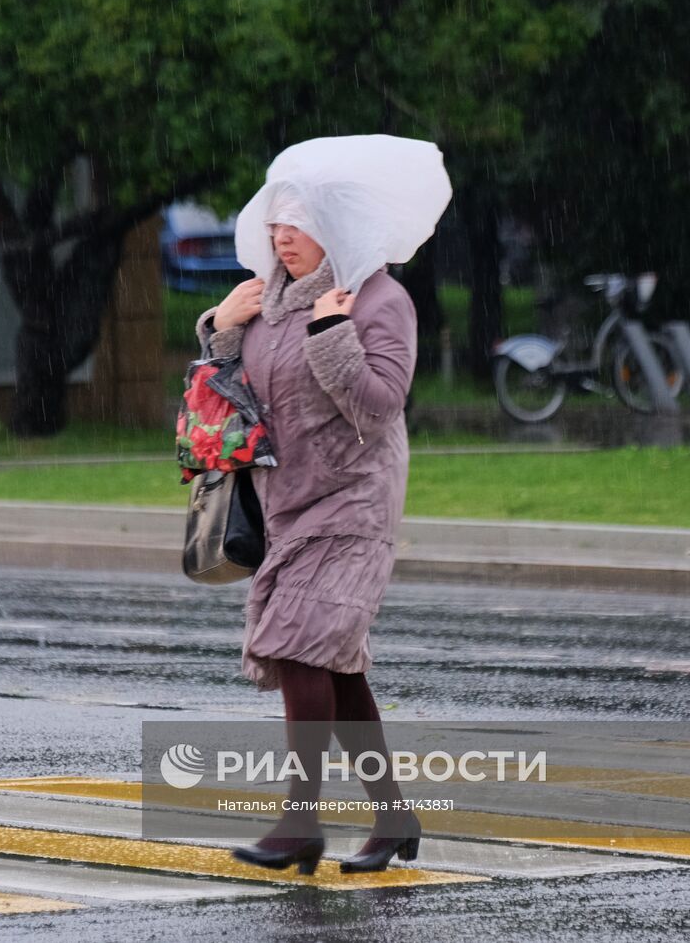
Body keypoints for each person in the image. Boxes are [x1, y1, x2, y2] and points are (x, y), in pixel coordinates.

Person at [193, 175, 430, 876]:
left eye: (296, 222)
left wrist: (331, 332)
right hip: (287, 505)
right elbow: (230, 404)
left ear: (339, 226)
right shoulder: (266, 302)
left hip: (354, 503)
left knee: (298, 645)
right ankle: (394, 818)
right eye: (275, 224)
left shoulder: (381, 299)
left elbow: (379, 404)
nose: (280, 236)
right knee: (333, 661)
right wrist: (222, 330)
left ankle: (300, 822)